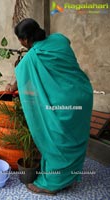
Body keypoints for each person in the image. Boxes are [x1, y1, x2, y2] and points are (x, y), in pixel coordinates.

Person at [10, 18, 93, 195]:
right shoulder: (59, 39)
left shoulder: (32, 57)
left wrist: (11, 87)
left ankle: (51, 184)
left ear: (24, 40)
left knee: (56, 141)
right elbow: (65, 43)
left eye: (20, 39)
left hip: (64, 103)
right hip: (83, 95)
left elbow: (20, 78)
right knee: (74, 140)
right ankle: (68, 178)